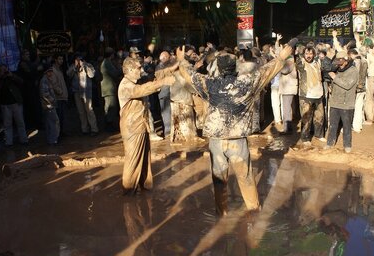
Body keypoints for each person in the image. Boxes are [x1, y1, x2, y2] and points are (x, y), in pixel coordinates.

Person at [176, 43, 293, 216]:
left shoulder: (209, 84)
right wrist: (281, 57)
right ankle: (253, 212)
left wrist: (181, 60)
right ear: (235, 67)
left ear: (219, 69)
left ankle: (221, 213)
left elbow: (189, 75)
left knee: (219, 180)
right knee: (245, 178)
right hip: (238, 141)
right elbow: (266, 71)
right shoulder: (246, 83)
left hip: (216, 141)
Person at [118, 57, 175, 195]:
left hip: (141, 126)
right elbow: (143, 90)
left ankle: (144, 187)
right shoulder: (126, 85)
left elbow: (153, 77)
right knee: (133, 162)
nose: (141, 70)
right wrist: (163, 82)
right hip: (132, 129)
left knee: (144, 160)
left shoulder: (137, 80)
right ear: (130, 70)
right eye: (138, 68)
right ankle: (128, 193)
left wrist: (171, 69)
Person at [324, 51, 359, 153]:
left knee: (347, 126)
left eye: (340, 61)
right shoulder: (338, 69)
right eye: (337, 61)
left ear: (346, 60)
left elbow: (348, 85)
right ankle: (330, 143)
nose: (338, 64)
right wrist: (331, 86)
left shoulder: (353, 71)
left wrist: (335, 77)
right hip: (335, 102)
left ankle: (347, 145)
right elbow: (335, 83)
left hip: (347, 104)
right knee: (332, 125)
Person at [0, 63, 28, 146]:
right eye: (1, 70)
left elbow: (21, 81)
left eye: (4, 69)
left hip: (16, 103)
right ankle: (9, 142)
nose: (3, 72)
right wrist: (0, 77)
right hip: (4, 105)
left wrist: (11, 76)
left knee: (20, 122)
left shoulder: (11, 76)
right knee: (7, 124)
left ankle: (24, 140)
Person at [296, 46, 326, 145]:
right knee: (306, 118)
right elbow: (297, 58)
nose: (308, 56)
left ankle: (319, 135)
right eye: (306, 54)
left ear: (314, 54)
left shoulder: (318, 63)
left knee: (320, 116)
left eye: (310, 54)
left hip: (318, 94)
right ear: (303, 55)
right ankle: (305, 138)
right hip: (306, 95)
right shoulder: (301, 64)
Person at [67, 53, 99, 136]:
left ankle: (94, 129)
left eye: (80, 59)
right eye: (77, 59)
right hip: (77, 91)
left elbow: (92, 75)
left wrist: (85, 66)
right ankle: (84, 129)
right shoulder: (72, 67)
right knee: (81, 111)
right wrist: (75, 67)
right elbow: (68, 74)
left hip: (86, 91)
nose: (78, 61)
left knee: (89, 110)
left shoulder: (88, 65)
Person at [101, 47, 122, 132]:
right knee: (111, 107)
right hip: (109, 88)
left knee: (109, 107)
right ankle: (109, 125)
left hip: (108, 88)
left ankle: (109, 124)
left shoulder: (106, 62)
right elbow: (115, 73)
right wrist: (121, 67)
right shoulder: (107, 63)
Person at [39, 65, 61, 145]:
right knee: (53, 122)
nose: (51, 73)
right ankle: (53, 140)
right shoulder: (44, 81)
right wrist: (53, 101)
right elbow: (44, 94)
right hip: (49, 106)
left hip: (49, 105)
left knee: (50, 122)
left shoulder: (48, 80)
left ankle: (52, 139)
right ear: (46, 72)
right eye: (50, 71)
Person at [51, 54, 68, 137]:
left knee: (62, 117)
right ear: (55, 60)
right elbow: (54, 85)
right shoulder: (54, 70)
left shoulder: (59, 70)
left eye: (62, 59)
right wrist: (60, 92)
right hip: (58, 98)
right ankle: (58, 134)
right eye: (59, 59)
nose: (61, 61)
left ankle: (61, 132)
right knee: (59, 117)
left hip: (62, 96)